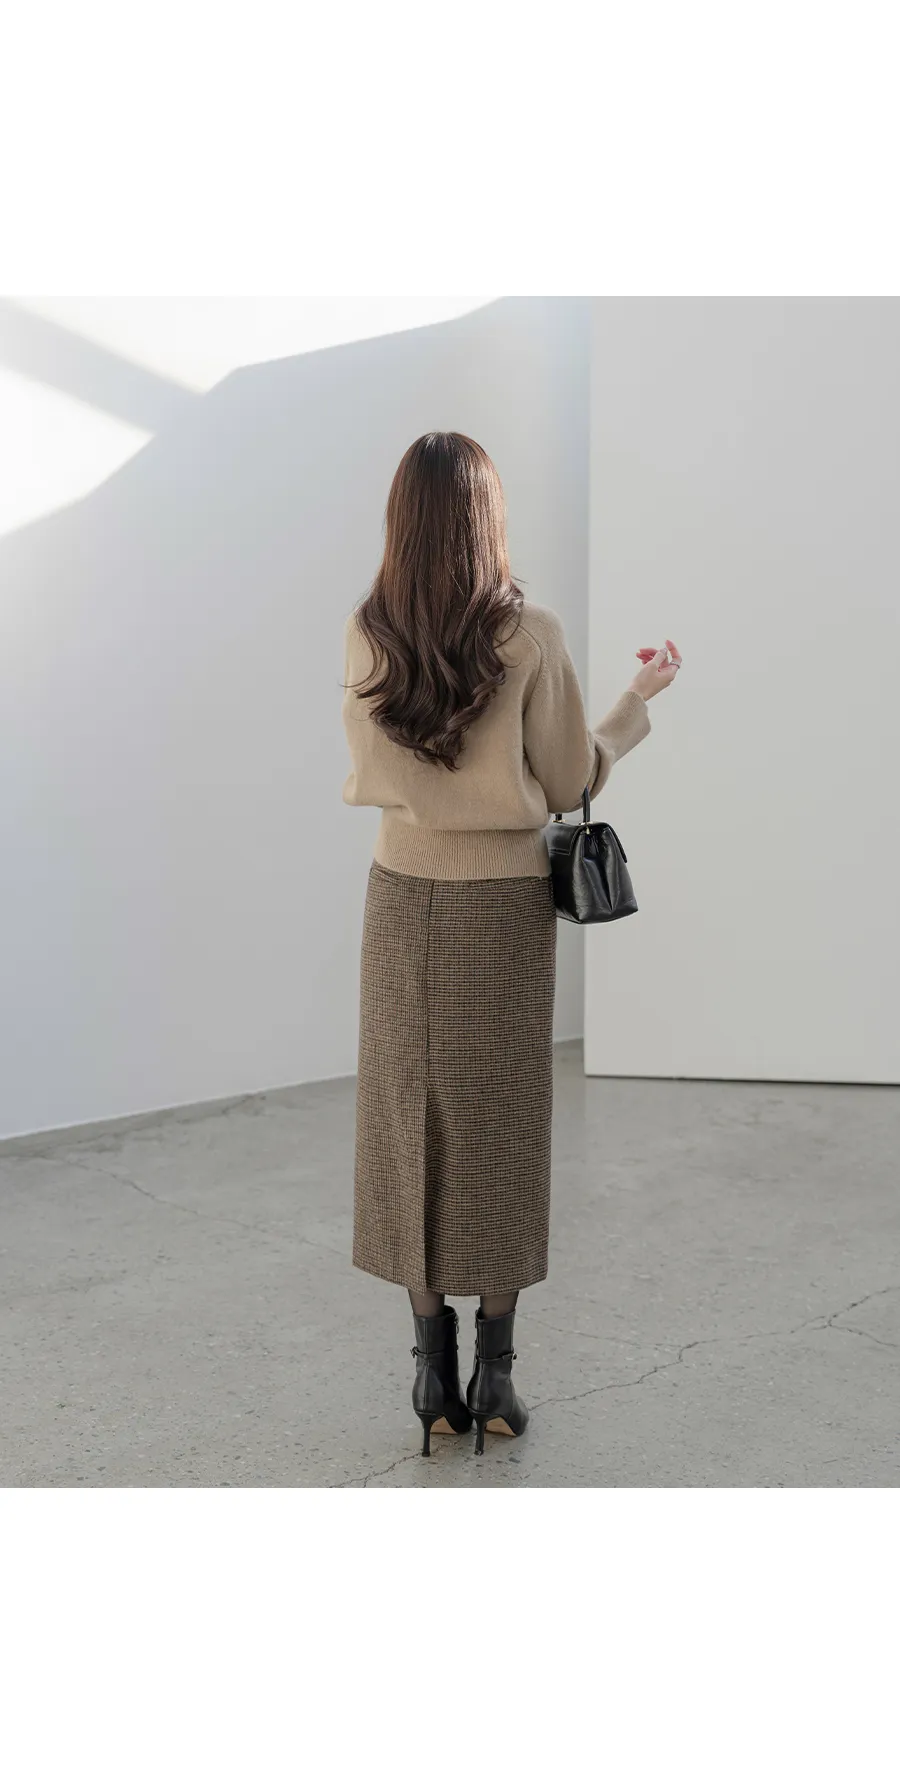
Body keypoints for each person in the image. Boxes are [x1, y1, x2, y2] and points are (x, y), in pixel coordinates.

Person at [341, 431, 681, 1457]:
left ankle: (427, 1373)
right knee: (499, 1125)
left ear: (402, 518)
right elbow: (571, 777)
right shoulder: (529, 632)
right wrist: (634, 705)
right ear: (486, 518)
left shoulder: (368, 630)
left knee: (406, 1119)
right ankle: (496, 1374)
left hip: (400, 896)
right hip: (499, 906)